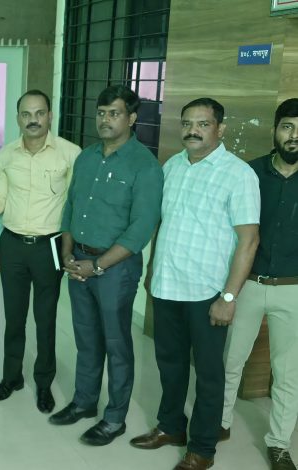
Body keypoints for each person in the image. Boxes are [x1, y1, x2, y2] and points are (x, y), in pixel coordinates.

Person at [130, 98, 260, 470]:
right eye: (187, 123)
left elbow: (249, 240)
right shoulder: (173, 166)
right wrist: (152, 270)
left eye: (203, 124)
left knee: (208, 374)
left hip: (208, 293)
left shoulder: (238, 174)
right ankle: (171, 426)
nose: (193, 130)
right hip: (168, 286)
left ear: (220, 129)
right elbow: (164, 224)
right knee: (169, 364)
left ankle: (202, 448)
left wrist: (229, 297)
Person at [52, 85, 163, 447]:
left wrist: (97, 266)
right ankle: (84, 402)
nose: (105, 119)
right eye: (101, 113)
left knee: (116, 344)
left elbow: (140, 230)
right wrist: (67, 253)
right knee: (86, 338)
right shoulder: (86, 157)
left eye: (114, 113)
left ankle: (114, 418)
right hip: (79, 262)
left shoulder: (144, 166)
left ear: (132, 118)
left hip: (116, 269)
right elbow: (71, 207)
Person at [0, 90, 81, 409]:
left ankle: (43, 383)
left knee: (45, 319)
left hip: (48, 247)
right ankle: (11, 377)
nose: (33, 120)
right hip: (13, 246)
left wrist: (71, 247)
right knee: (13, 318)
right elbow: (0, 199)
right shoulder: (7, 154)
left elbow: (75, 205)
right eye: (26, 114)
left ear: (50, 116)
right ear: (18, 118)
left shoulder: (70, 154)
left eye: (39, 113)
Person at [219, 98, 298, 470]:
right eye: (287, 127)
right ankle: (219, 423)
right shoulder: (249, 173)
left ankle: (279, 444)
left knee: (288, 373)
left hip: (294, 289)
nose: (294, 135)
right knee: (231, 360)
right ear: (275, 129)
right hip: (248, 284)